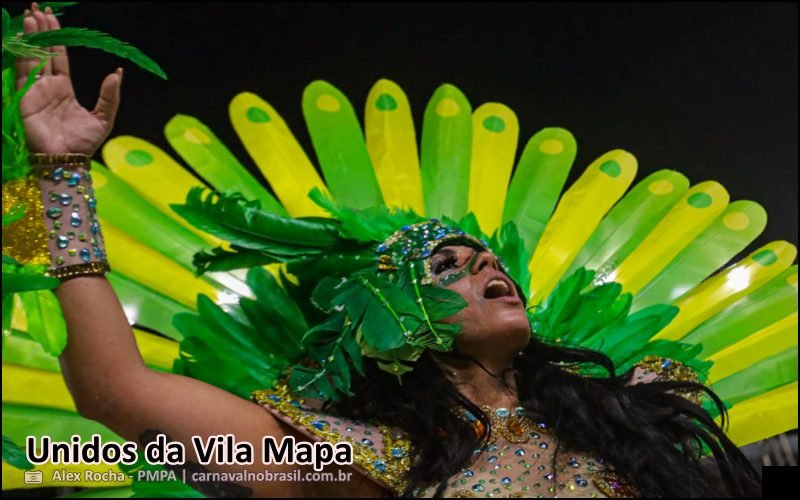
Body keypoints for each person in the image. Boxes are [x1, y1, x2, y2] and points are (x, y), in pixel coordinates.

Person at [11, 3, 763, 497]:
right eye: (445, 267)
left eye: (487, 258)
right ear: (390, 321)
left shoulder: (631, 411)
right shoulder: (354, 458)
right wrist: (58, 175)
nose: (486, 266)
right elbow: (116, 389)